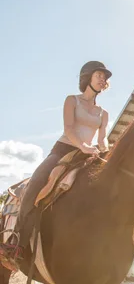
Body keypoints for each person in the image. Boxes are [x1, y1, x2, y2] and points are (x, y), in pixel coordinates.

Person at [0, 61, 112, 272]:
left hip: (86, 154)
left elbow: (103, 138)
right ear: (87, 76)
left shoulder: (103, 113)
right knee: (35, 186)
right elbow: (69, 129)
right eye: (99, 74)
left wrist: (105, 151)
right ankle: (16, 245)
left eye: (105, 77)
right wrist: (84, 146)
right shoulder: (72, 100)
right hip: (63, 149)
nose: (103, 79)